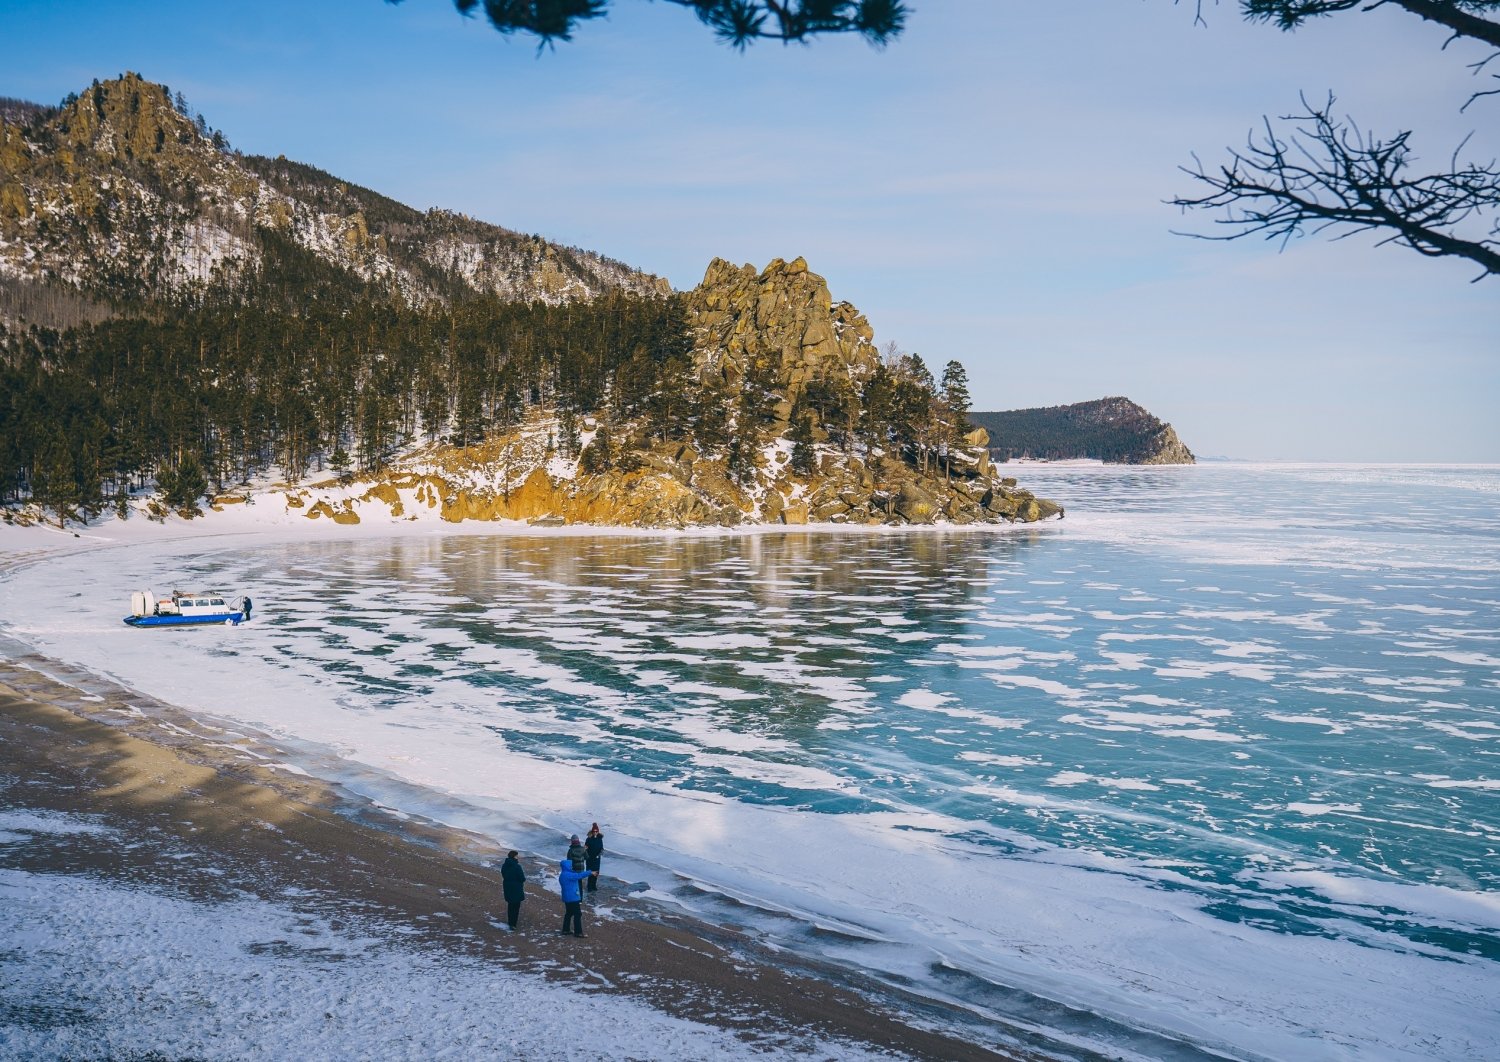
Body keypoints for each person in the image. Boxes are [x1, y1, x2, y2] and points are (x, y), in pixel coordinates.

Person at [558, 858, 590, 937]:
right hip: (572, 898)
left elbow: (576, 875)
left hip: (567, 898)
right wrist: (590, 872)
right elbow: (579, 875)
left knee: (569, 913)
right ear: (567, 866)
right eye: (570, 865)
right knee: (577, 914)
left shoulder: (563, 874)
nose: (572, 867)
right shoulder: (568, 875)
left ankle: (566, 930)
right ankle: (578, 932)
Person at [501, 850, 526, 930]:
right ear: (514, 856)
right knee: (516, 906)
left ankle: (510, 922)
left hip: (507, 887)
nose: (517, 857)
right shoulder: (517, 866)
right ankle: (513, 924)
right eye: (517, 856)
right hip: (516, 888)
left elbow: (503, 875)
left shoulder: (504, 865)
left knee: (510, 905)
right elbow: (522, 878)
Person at [584, 823, 604, 893]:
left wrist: (600, 853)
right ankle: (589, 886)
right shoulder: (589, 839)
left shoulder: (600, 839)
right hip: (590, 858)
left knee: (596, 872)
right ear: (592, 831)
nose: (595, 832)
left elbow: (602, 848)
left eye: (596, 831)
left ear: (598, 831)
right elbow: (585, 848)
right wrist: (585, 855)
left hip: (597, 859)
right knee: (590, 872)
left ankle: (594, 885)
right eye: (594, 831)